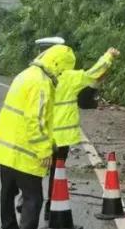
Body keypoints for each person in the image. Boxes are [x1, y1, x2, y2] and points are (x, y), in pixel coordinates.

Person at [0, 45, 75, 229]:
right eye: (63, 71)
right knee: (33, 198)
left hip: (5, 148)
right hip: (25, 151)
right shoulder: (42, 84)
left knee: (8, 190)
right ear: (56, 66)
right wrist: (45, 150)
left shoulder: (25, 75)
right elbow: (34, 121)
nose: (62, 76)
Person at [42, 44, 120, 214]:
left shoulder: (41, 77)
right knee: (57, 172)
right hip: (62, 137)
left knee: (35, 169)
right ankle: (51, 206)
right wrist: (109, 55)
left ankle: (26, 200)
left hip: (41, 134)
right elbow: (94, 72)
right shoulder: (70, 77)